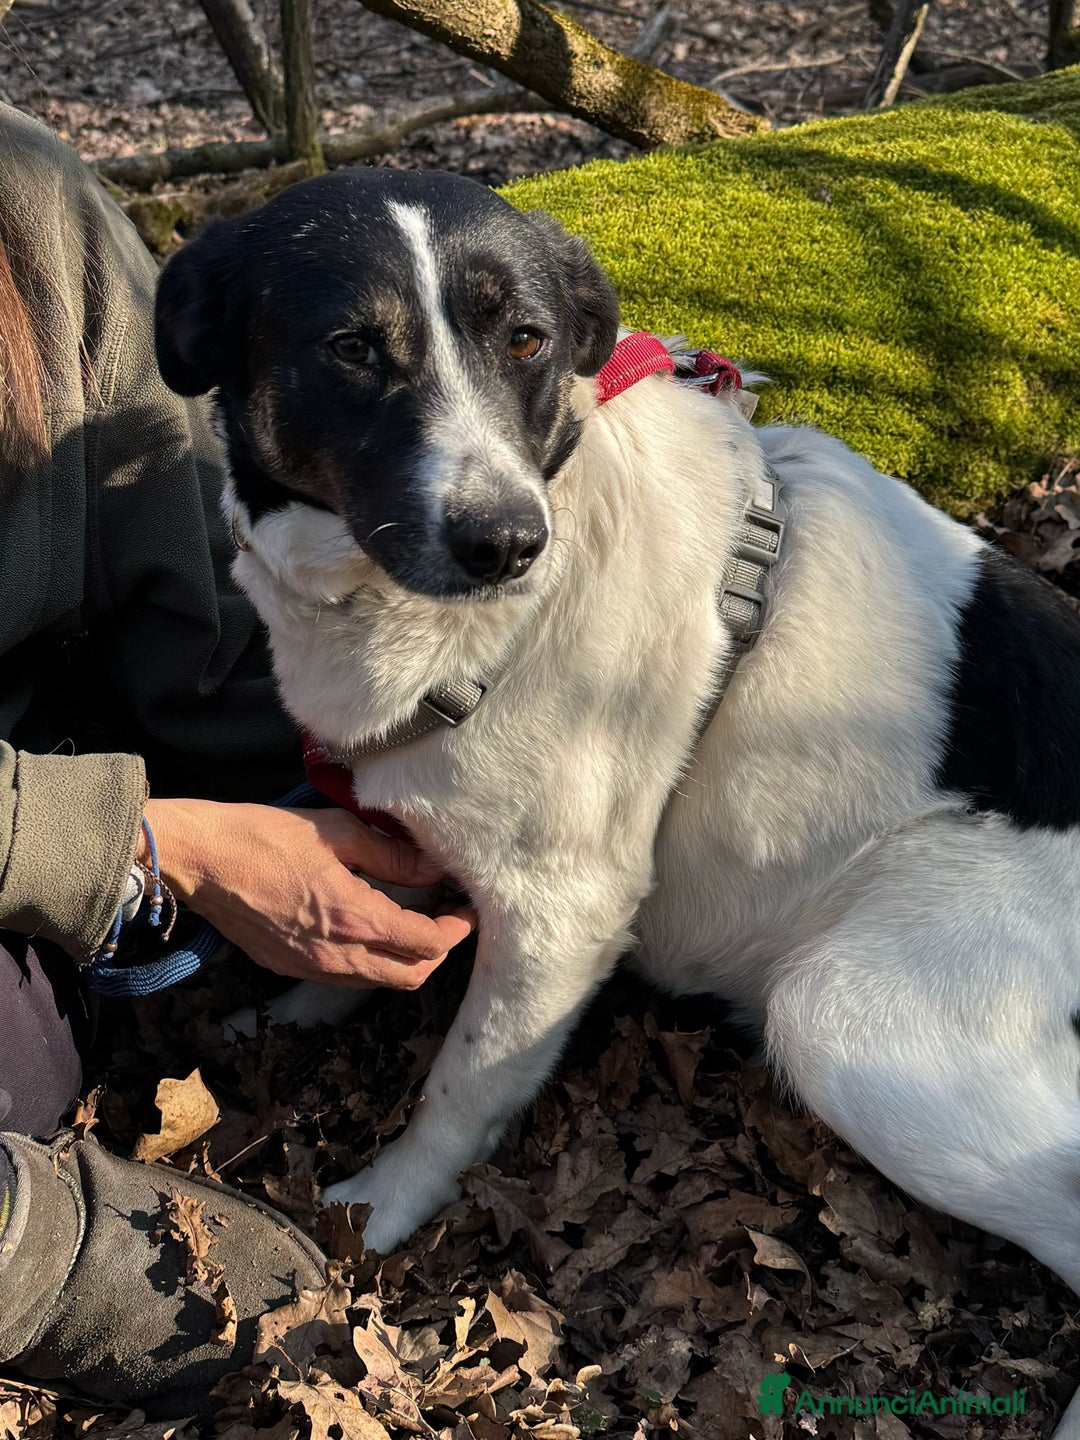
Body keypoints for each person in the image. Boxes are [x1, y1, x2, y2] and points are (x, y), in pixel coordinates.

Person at [0, 104, 475, 1417]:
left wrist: (369, 780)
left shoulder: (22, 197)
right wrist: (165, 849)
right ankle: (30, 1255)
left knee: (22, 1071)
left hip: (32, 770)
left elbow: (193, 591)